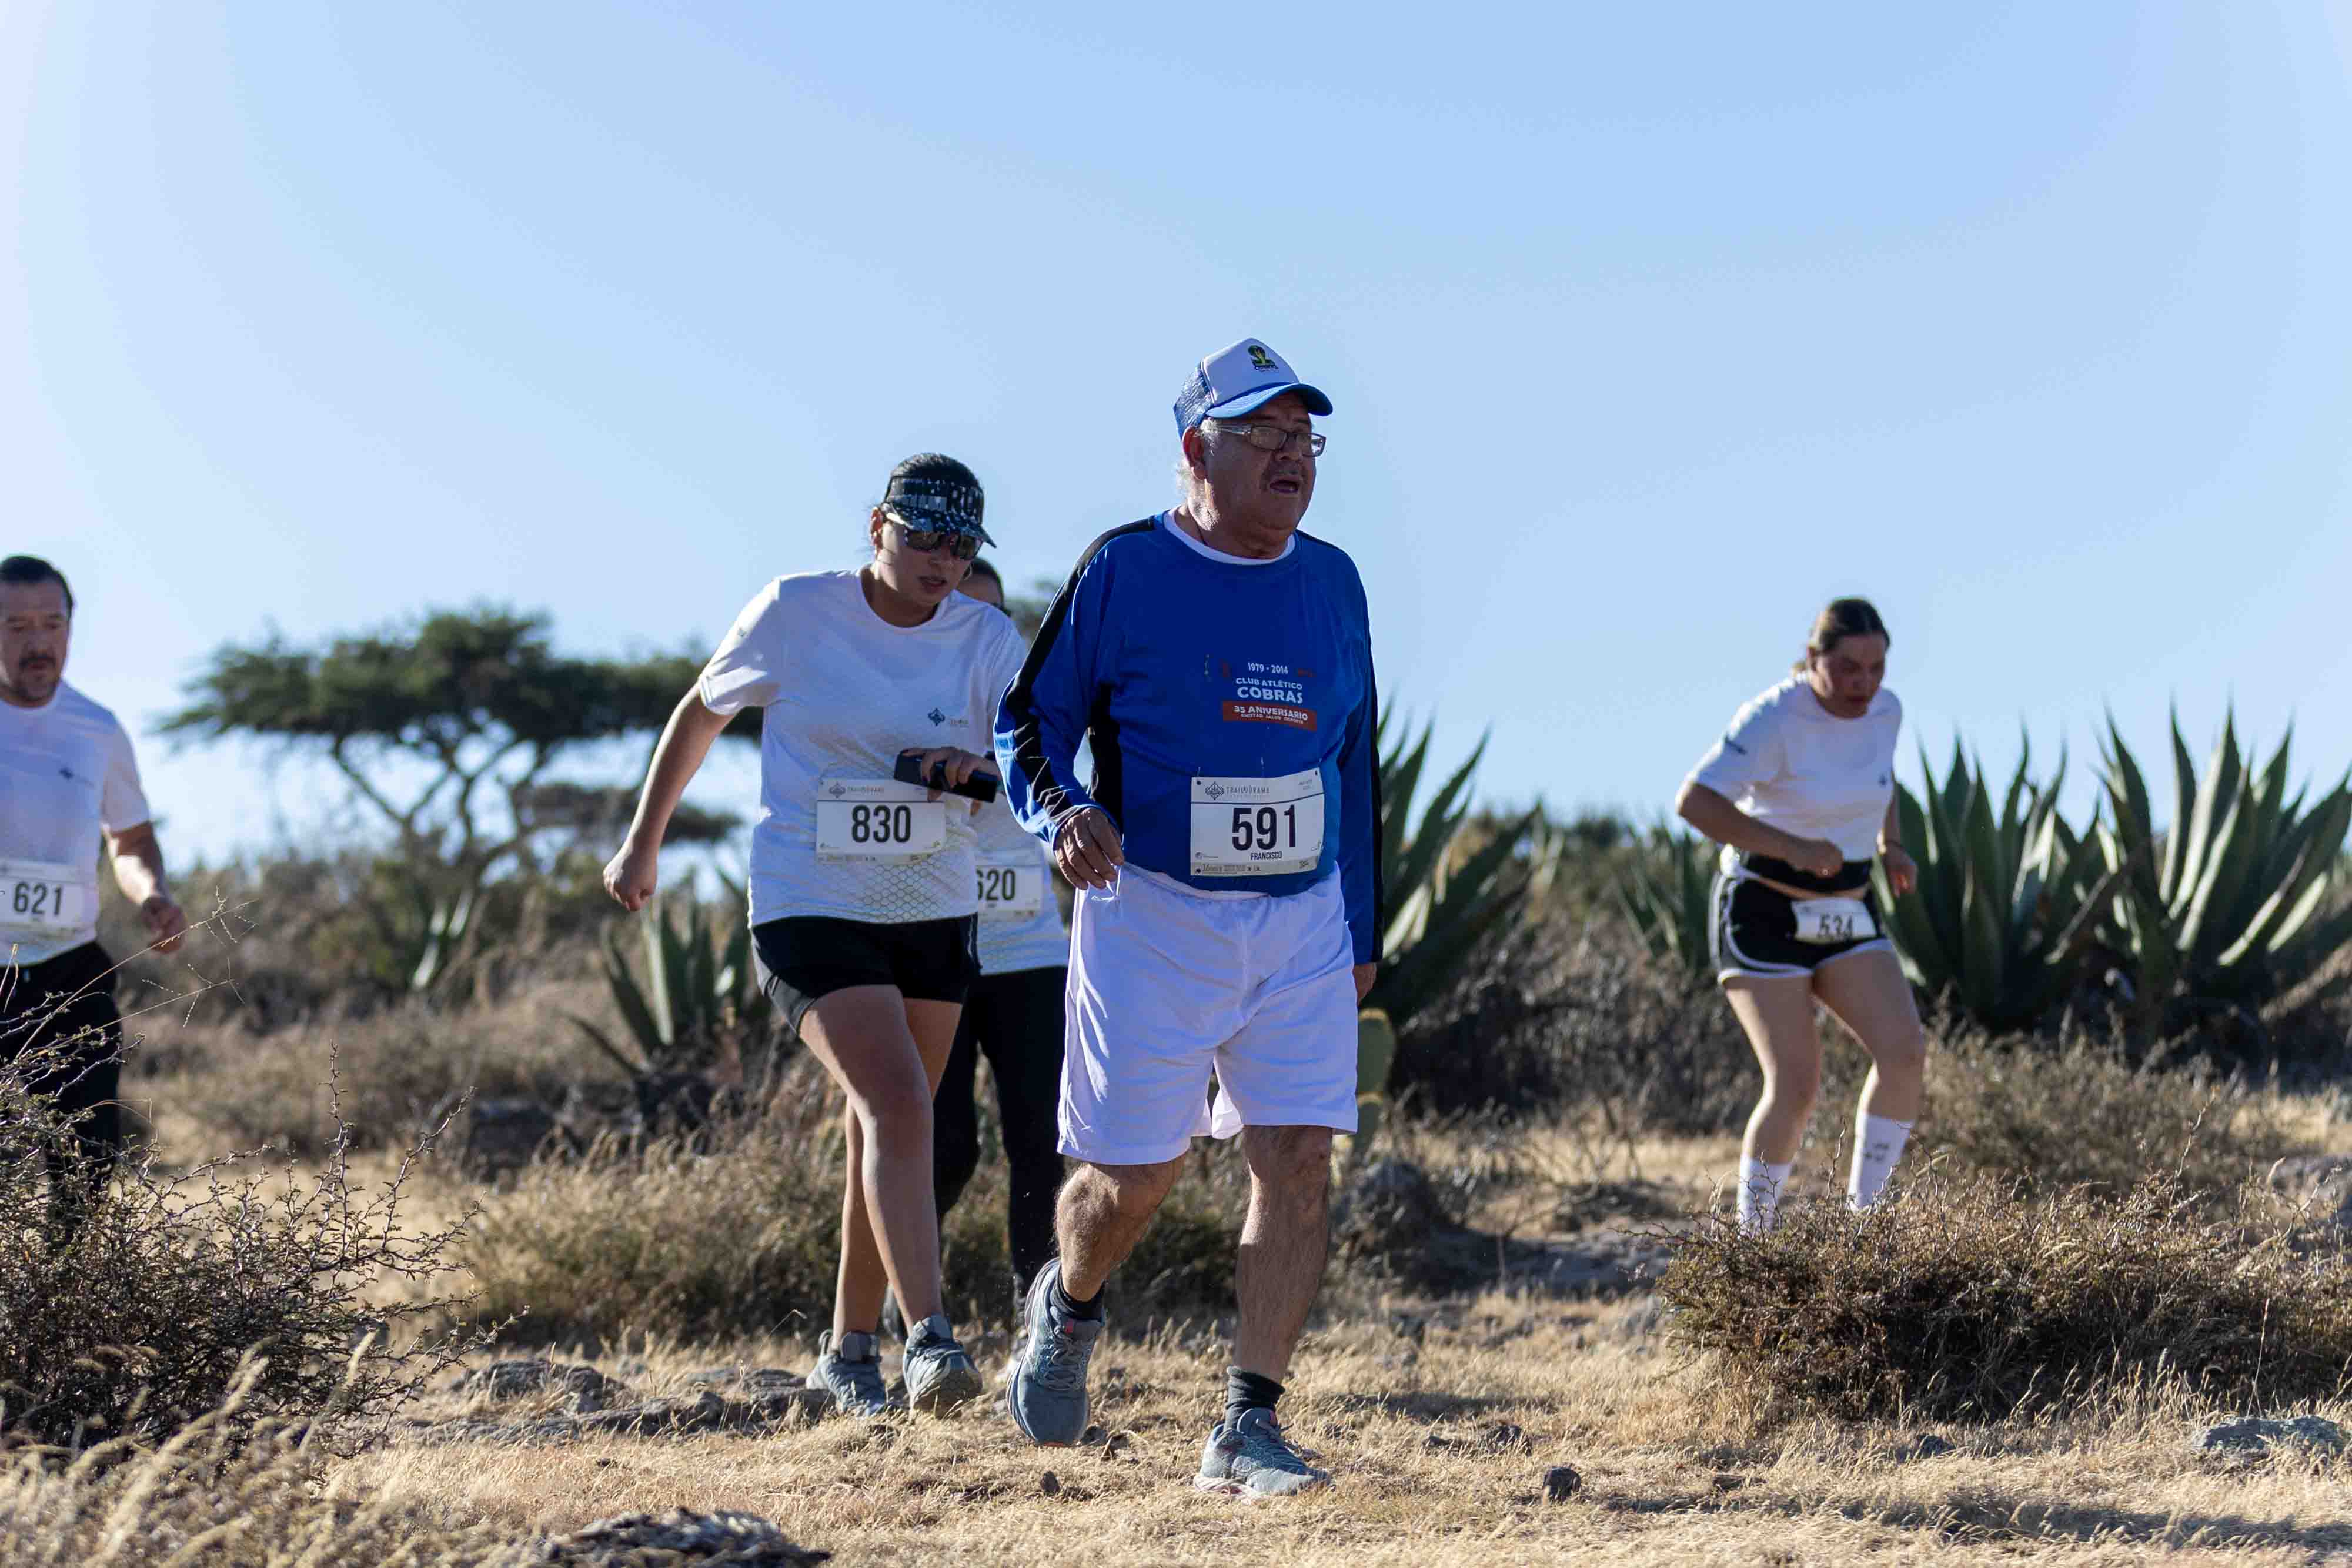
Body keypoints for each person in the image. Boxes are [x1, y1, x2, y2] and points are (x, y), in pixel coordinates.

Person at [995, 339, 1381, 1497]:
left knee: (1297, 1155)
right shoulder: (1125, 568)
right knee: (1136, 1174)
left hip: (1303, 918)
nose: (1290, 455)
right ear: (1194, 450)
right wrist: (1063, 812)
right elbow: (1030, 720)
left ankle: (1246, 1425)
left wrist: (1361, 930)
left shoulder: (1335, 581)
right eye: (1263, 434)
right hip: (1153, 912)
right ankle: (1069, 1302)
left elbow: (1354, 765)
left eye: (1304, 437)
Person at [603, 455, 1025, 1417]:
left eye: (962, 546)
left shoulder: (987, 637)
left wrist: (967, 771)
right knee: (900, 1102)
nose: (943, 560)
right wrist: (642, 840)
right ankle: (932, 1338)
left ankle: (847, 1352)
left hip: (933, 902)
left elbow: (1028, 759)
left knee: (886, 1122)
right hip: (811, 899)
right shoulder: (796, 609)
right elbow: (701, 712)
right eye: (923, 537)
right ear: (878, 525)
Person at [1673, 597, 1926, 1233]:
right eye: (1847, 668)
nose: (1863, 683)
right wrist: (1791, 847)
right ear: (1813, 658)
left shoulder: (1886, 712)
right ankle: (1752, 1242)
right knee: (1795, 1083)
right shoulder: (1773, 719)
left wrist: (1891, 845)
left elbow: (1880, 780)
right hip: (1763, 911)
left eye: (1876, 668)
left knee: (1903, 1053)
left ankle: (1864, 1228)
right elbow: (1695, 802)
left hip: (1847, 908)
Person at [0, 554, 188, 1233]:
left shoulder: (97, 728)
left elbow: (130, 840)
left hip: (68, 968)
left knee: (89, 1152)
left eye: (52, 625)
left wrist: (151, 895)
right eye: (17, 626)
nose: (38, 643)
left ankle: (59, 1281)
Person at [932, 559, 1068, 1329]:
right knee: (945, 1145)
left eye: (991, 613)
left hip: (1027, 954)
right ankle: (916, 1310)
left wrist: (980, 773)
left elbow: (1053, 784)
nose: (976, 627)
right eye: (959, 610)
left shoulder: (1030, 699)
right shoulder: (907, 691)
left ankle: (1038, 1314)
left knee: (1039, 1142)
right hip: (932, 947)